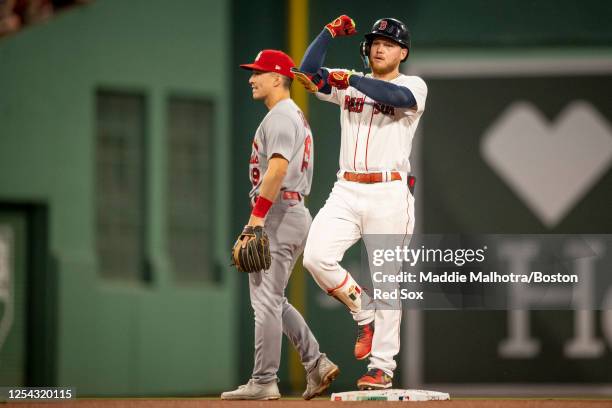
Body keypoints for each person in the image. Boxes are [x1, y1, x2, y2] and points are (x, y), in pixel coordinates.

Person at [297, 16, 427, 390]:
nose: (379, 47)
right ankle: (361, 309)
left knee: (388, 282)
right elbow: (307, 74)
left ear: (402, 52)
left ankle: (382, 368)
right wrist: (329, 33)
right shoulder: (348, 81)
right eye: (374, 42)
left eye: (388, 43)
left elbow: (395, 98)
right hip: (346, 190)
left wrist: (349, 79)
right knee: (315, 256)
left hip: (389, 192)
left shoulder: (412, 85)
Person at [221, 49, 339, 400]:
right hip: (291, 211)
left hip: (279, 212)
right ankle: (315, 362)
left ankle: (263, 380)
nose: (251, 78)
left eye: (258, 72)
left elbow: (276, 170)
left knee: (266, 302)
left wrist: (256, 217)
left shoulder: (281, 116)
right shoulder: (291, 115)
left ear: (278, 77)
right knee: (271, 298)